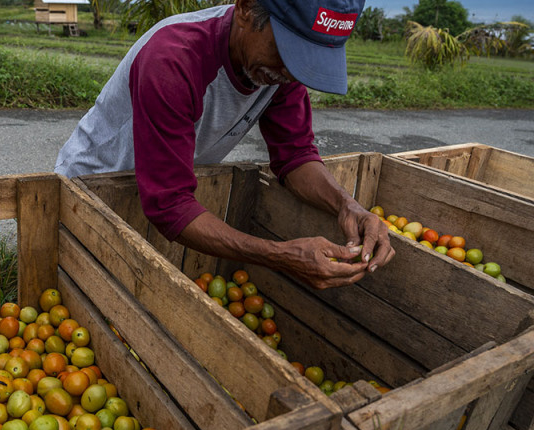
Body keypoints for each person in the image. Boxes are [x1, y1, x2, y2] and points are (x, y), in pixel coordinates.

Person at [54, 0, 394, 289]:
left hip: (160, 203)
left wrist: (347, 205)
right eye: (288, 50)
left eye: (307, 61)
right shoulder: (173, 58)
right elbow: (169, 204)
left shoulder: (282, 72)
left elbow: (295, 155)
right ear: (246, 7)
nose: (292, 73)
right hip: (90, 193)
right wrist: (279, 255)